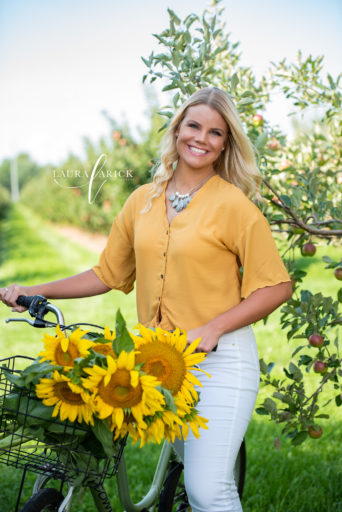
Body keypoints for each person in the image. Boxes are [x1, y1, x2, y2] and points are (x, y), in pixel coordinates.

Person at [0, 87, 292, 512]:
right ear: (177, 130)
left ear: (225, 144)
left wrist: (212, 328)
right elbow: (107, 274)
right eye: (193, 125)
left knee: (209, 491)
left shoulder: (234, 206)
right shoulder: (142, 200)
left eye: (216, 132)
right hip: (158, 366)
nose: (201, 138)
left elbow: (276, 286)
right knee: (188, 468)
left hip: (220, 359)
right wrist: (37, 291)